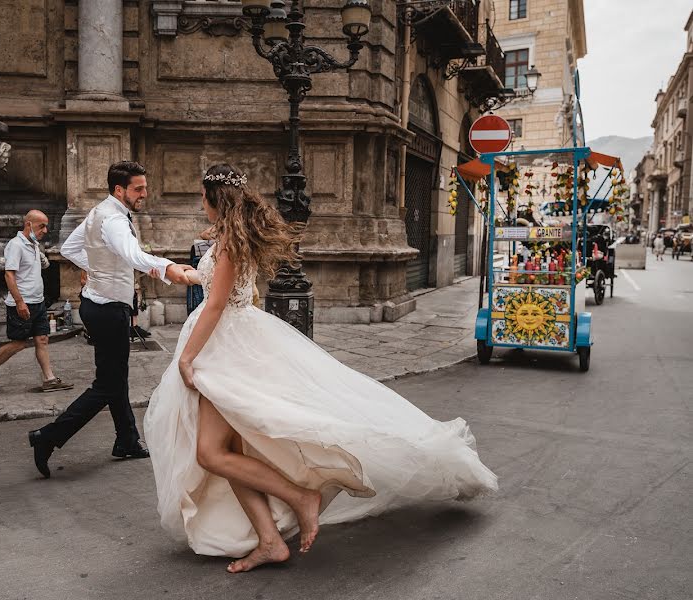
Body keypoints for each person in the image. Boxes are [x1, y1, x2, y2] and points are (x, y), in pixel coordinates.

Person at [143, 164, 497, 573]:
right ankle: (270, 541)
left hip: (225, 348)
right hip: (234, 342)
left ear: (211, 199)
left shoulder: (227, 245)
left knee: (211, 453)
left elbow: (219, 303)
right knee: (225, 451)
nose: (199, 205)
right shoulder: (230, 239)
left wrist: (187, 356)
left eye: (201, 198)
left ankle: (300, 497)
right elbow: (219, 288)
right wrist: (179, 272)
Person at [27, 161, 194, 478]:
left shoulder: (100, 211)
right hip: (108, 311)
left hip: (96, 304)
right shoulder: (114, 220)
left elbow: (71, 247)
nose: (145, 193)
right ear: (120, 190)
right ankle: (47, 437)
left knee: (115, 377)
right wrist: (168, 268)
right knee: (107, 384)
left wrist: (94, 269)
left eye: (144, 186)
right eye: (138, 188)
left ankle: (126, 439)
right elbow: (134, 255)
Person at [0, 210, 73, 395]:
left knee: (42, 340)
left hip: (37, 301)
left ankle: (49, 379)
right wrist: (20, 302)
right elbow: (9, 274)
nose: (45, 230)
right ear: (28, 225)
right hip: (22, 303)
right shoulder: (16, 245)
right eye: (41, 226)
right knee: (19, 343)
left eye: (46, 226)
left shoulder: (34, 244)